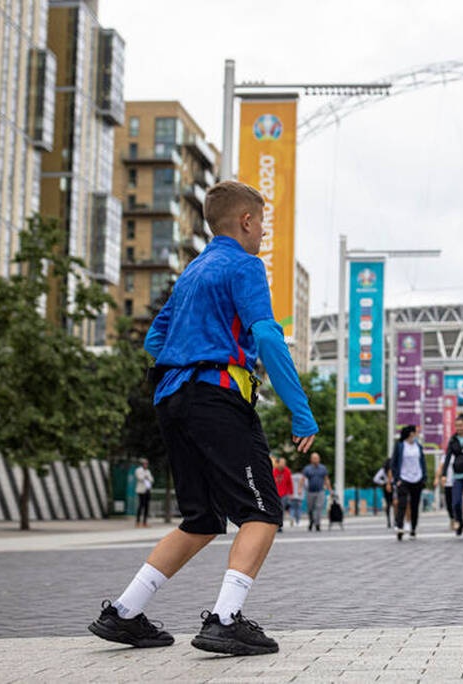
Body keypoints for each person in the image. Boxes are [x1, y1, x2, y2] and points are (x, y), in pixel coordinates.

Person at [88, 181, 318, 655]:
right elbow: (270, 339)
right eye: (263, 225)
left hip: (171, 397)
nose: (263, 236)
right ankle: (225, 619)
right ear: (248, 221)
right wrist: (301, 414)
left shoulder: (192, 273)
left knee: (201, 518)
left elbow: (155, 341)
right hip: (217, 397)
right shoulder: (244, 265)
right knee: (262, 511)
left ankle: (125, 613)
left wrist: (187, 358)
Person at [391, 424, 427, 541]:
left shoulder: (419, 447)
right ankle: (399, 526)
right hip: (404, 478)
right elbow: (394, 463)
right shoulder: (400, 446)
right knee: (402, 503)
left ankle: (413, 528)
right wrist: (397, 479)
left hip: (417, 478)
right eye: (416, 432)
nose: (417, 434)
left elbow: (422, 463)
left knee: (415, 505)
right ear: (411, 433)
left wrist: (424, 478)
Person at [302, 452, 330, 532]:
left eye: (317, 458)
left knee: (318, 508)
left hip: (320, 491)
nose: (316, 460)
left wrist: (329, 489)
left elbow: (326, 479)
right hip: (310, 491)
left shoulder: (323, 468)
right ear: (311, 459)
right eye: (314, 458)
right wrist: (300, 489)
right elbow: (303, 479)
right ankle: (311, 521)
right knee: (310, 509)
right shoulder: (307, 469)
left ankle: (318, 524)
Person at [272, 458, 293, 533]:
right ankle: (275, 524)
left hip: (284, 494)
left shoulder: (287, 471)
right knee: (275, 510)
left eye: (284, 463)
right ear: (278, 463)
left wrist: (291, 493)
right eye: (282, 463)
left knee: (281, 510)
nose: (283, 464)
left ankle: (280, 525)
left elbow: (289, 483)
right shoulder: (273, 471)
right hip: (275, 494)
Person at [134, 458, 154, 528]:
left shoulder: (148, 471)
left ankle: (144, 522)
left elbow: (151, 479)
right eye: (145, 463)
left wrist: (147, 477)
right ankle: (137, 522)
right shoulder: (138, 470)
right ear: (142, 464)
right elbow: (140, 478)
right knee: (141, 506)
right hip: (141, 490)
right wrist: (146, 477)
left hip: (147, 490)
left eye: (147, 464)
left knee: (146, 506)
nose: (146, 465)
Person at [373, 458, 392, 528]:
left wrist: (383, 483)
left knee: (388, 504)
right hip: (393, 486)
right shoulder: (394, 468)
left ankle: (389, 520)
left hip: (386, 487)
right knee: (395, 503)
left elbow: (375, 479)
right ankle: (395, 520)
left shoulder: (382, 470)